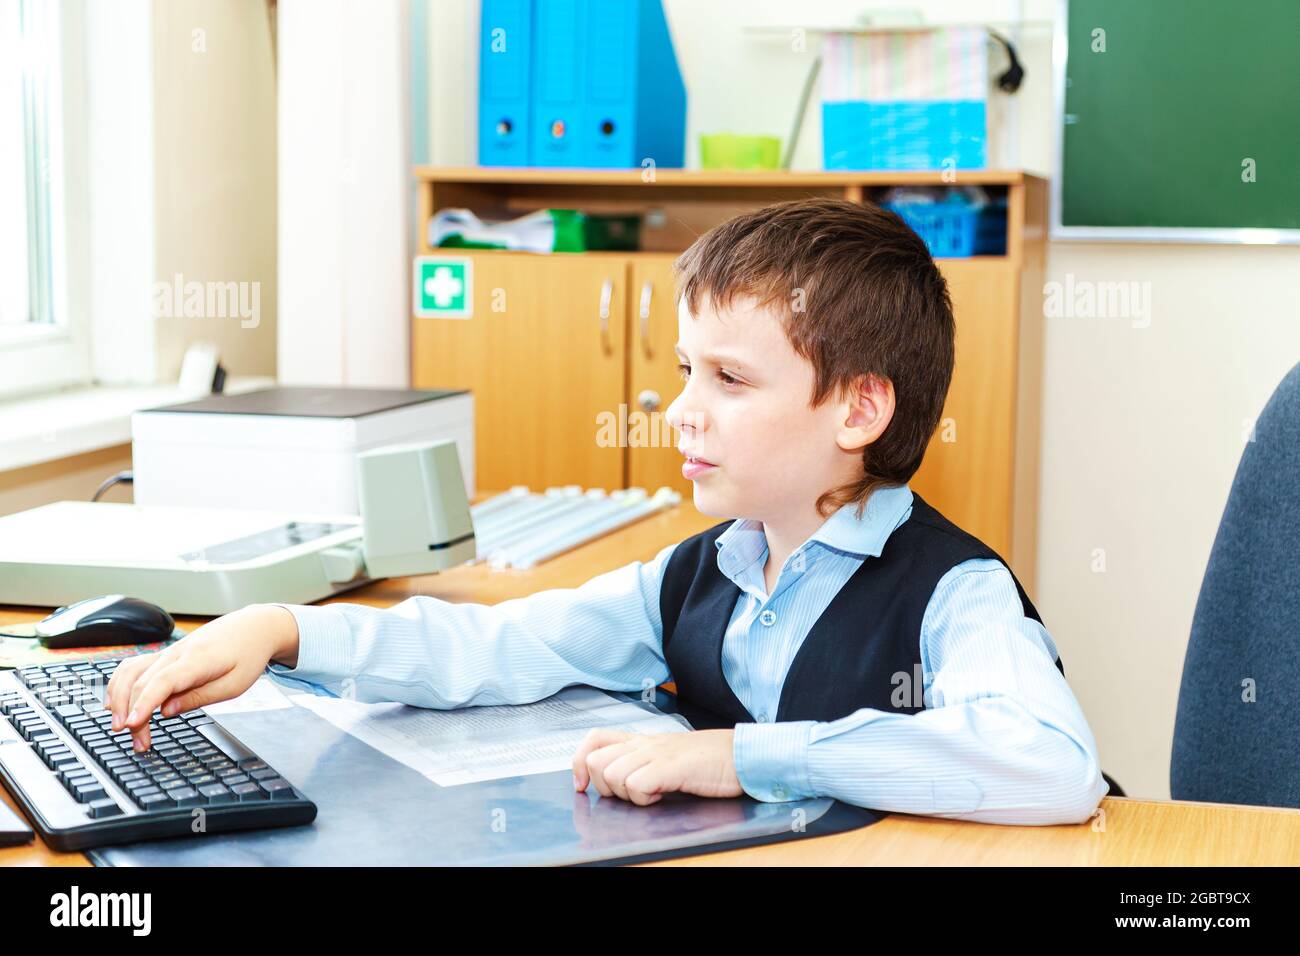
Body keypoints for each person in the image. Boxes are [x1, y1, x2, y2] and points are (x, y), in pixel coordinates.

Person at [107, 197, 1108, 824]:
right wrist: (284, 630)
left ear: (857, 407)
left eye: (728, 377)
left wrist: (739, 755)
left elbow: (1054, 766)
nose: (680, 407)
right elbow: (496, 647)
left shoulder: (954, 591)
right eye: (684, 370)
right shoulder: (698, 572)